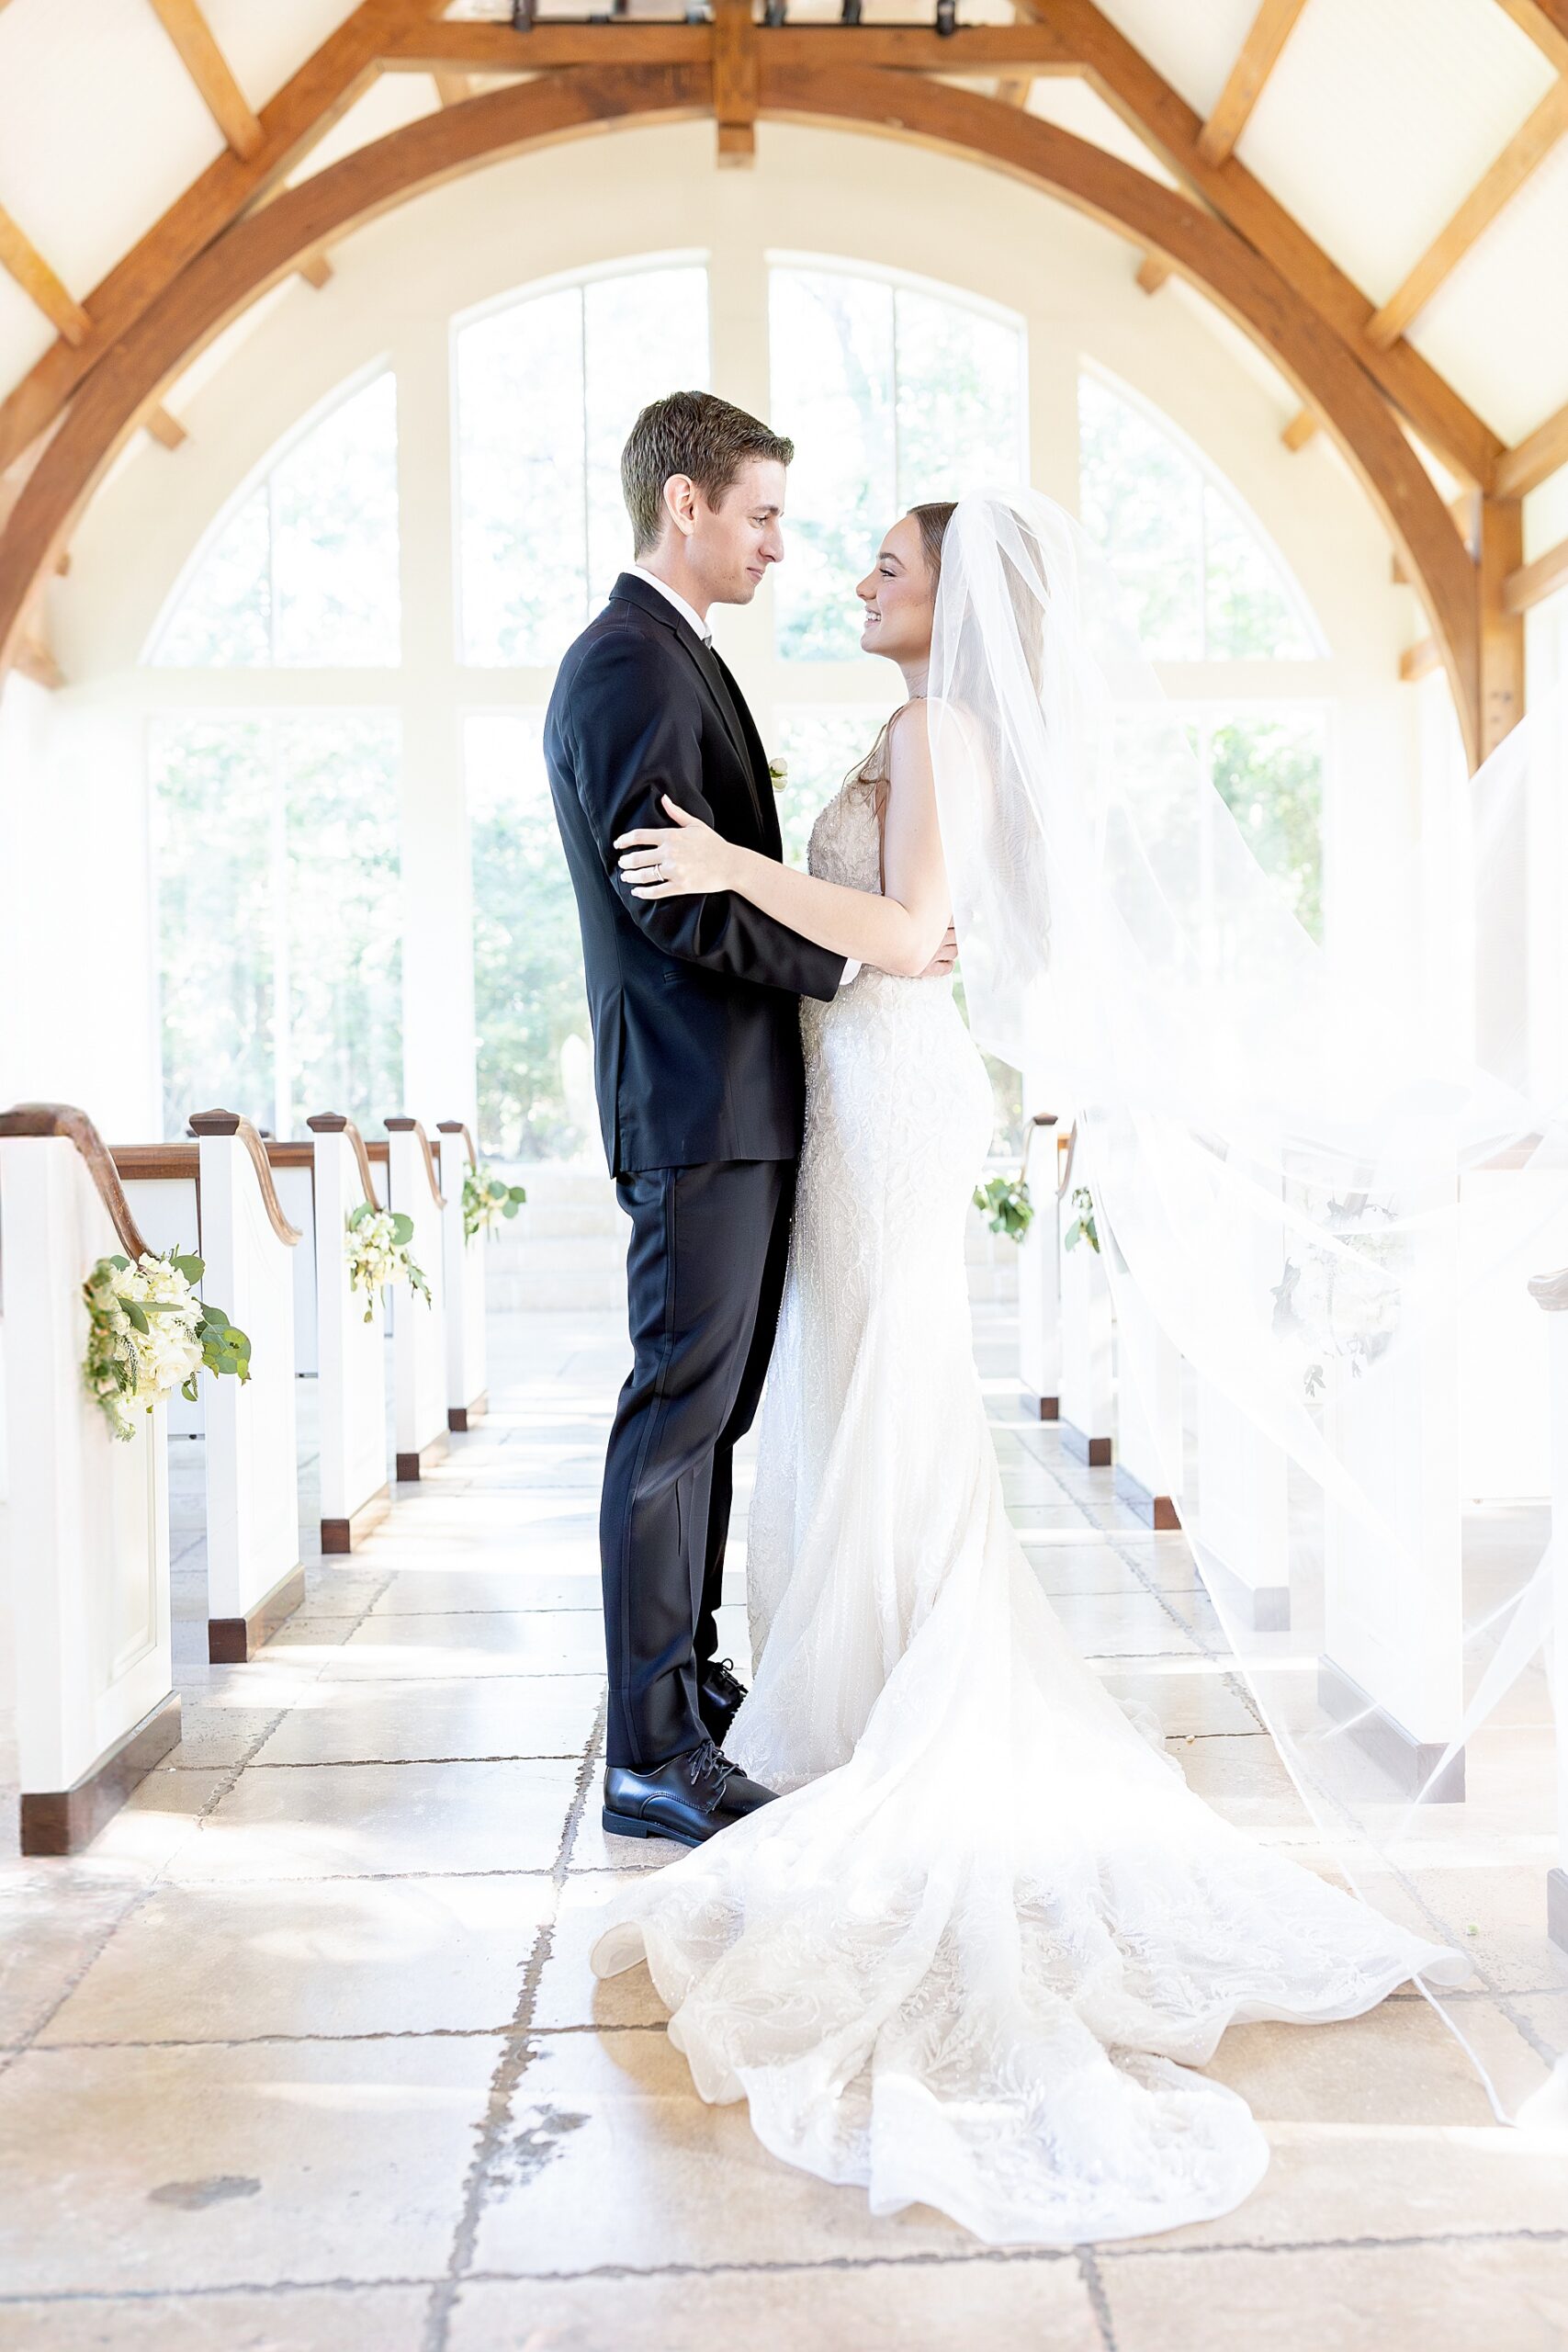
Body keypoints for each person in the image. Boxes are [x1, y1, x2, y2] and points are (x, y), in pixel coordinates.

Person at [591, 492, 1469, 2245]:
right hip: (854, 1093)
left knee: (893, 1397)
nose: (857, 580)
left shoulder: (939, 724)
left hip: (889, 1092)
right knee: (856, 1399)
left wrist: (730, 867)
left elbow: (913, 935)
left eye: (887, 568)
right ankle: (845, 1688)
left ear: (955, 603)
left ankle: (890, 1700)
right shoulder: (935, 724)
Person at [544, 392, 955, 1851]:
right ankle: (649, 1750)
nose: (785, 543)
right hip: (696, 1101)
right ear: (689, 507)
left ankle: (684, 1684)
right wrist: (857, 959)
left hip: (737, 1104)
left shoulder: (672, 658)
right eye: (765, 513)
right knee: (674, 1415)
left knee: (708, 1418)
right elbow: (677, 895)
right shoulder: (626, 664)